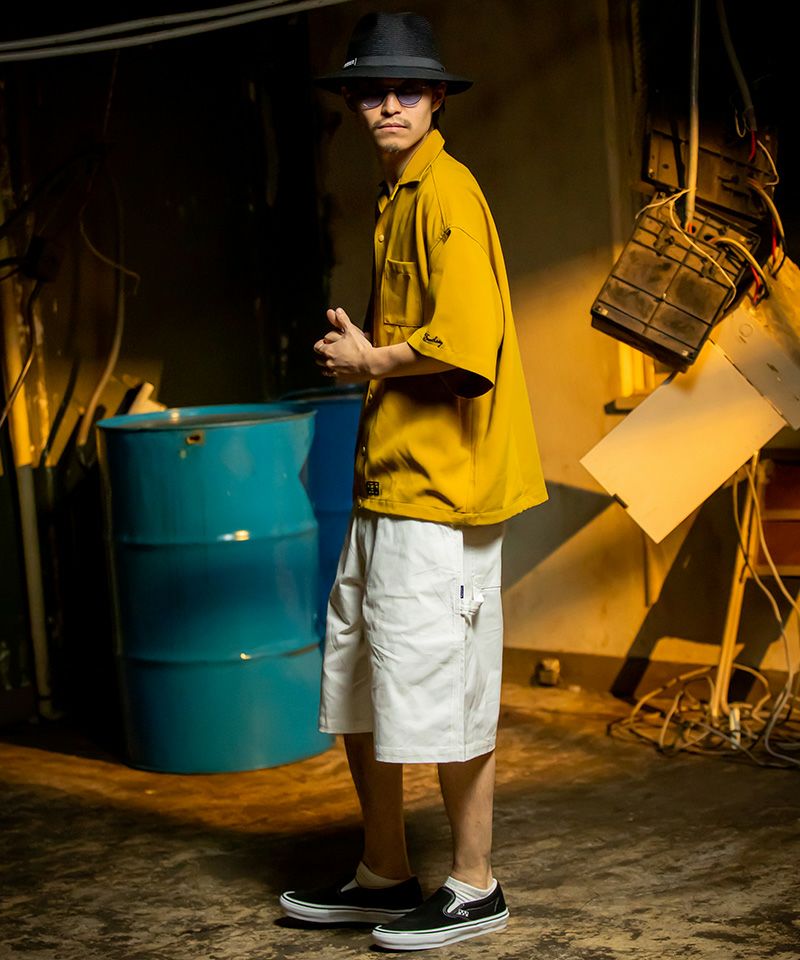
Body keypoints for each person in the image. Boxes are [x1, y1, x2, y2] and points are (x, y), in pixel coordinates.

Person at [279, 11, 547, 951]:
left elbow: (466, 343)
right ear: (356, 104)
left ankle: (476, 885)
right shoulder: (397, 193)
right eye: (371, 91)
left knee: (444, 689)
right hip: (387, 486)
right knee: (362, 683)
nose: (388, 104)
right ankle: (385, 874)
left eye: (406, 90)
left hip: (440, 497)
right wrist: (373, 361)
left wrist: (369, 361)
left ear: (435, 98)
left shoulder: (446, 195)